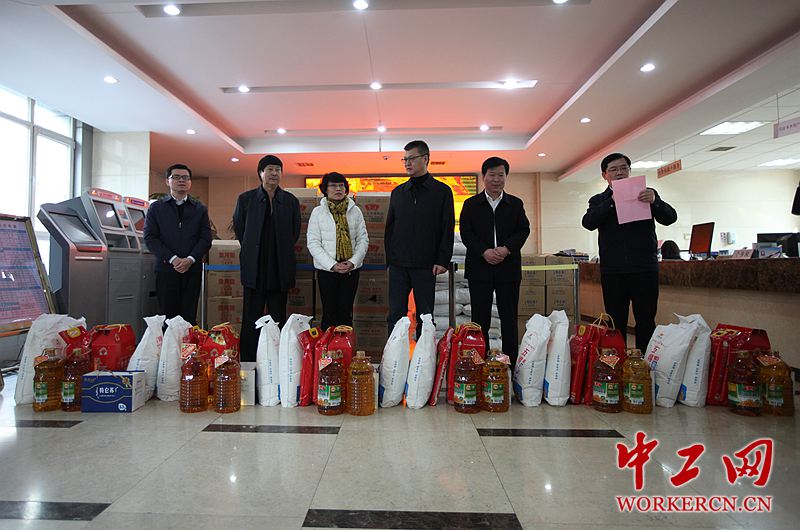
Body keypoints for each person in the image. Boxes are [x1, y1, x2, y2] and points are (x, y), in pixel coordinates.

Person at [582, 153, 678, 351]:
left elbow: (670, 218)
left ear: (629, 171)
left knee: (646, 319)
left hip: (644, 268)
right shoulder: (599, 200)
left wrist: (655, 202)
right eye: (613, 169)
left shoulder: (647, 193)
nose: (619, 172)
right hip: (613, 271)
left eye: (623, 168)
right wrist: (612, 201)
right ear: (605, 175)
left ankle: (644, 362)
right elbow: (588, 222)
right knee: (615, 321)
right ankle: (617, 361)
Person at [460, 157, 530, 366]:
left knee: (509, 317)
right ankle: (480, 362)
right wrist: (484, 251)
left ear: (506, 177)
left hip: (508, 269)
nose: (496, 179)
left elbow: (523, 230)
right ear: (484, 176)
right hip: (480, 269)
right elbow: (466, 233)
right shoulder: (471, 204)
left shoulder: (515, 204)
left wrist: (506, 249)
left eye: (501, 175)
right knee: (480, 318)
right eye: (492, 175)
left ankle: (509, 363)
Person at [233, 155, 300, 361]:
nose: (274, 173)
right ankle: (248, 361)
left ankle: (278, 361)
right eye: (270, 169)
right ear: (260, 173)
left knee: (278, 316)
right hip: (255, 268)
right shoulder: (246, 199)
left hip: (280, 267)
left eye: (278, 169)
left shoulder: (290, 201)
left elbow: (295, 232)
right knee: (251, 317)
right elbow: (240, 229)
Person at [385, 140, 454, 336]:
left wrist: (442, 259)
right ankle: (394, 354)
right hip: (398, 265)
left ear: (425, 159)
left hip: (426, 264)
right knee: (395, 315)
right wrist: (390, 260)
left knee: (425, 315)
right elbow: (390, 228)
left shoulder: (441, 192)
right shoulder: (398, 193)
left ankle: (425, 354)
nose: (407, 163)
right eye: (404, 159)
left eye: (412, 158)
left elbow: (447, 227)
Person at [143, 163, 212, 325]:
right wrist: (173, 259)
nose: (181, 180)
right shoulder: (157, 208)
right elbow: (150, 237)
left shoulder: (199, 208)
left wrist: (190, 259)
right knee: (167, 315)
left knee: (189, 316)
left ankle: (187, 343)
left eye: (185, 177)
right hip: (166, 269)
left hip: (192, 270)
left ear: (190, 182)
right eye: (176, 177)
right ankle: (168, 343)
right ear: (167, 181)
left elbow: (205, 238)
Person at [306, 172, 369, 330]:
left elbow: (363, 240)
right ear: (325, 189)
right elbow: (313, 243)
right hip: (327, 271)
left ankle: (344, 344)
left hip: (350, 270)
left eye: (341, 185)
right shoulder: (318, 212)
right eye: (333, 185)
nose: (338, 189)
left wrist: (353, 262)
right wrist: (332, 265)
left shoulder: (355, 211)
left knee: (346, 313)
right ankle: (328, 345)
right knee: (329, 314)